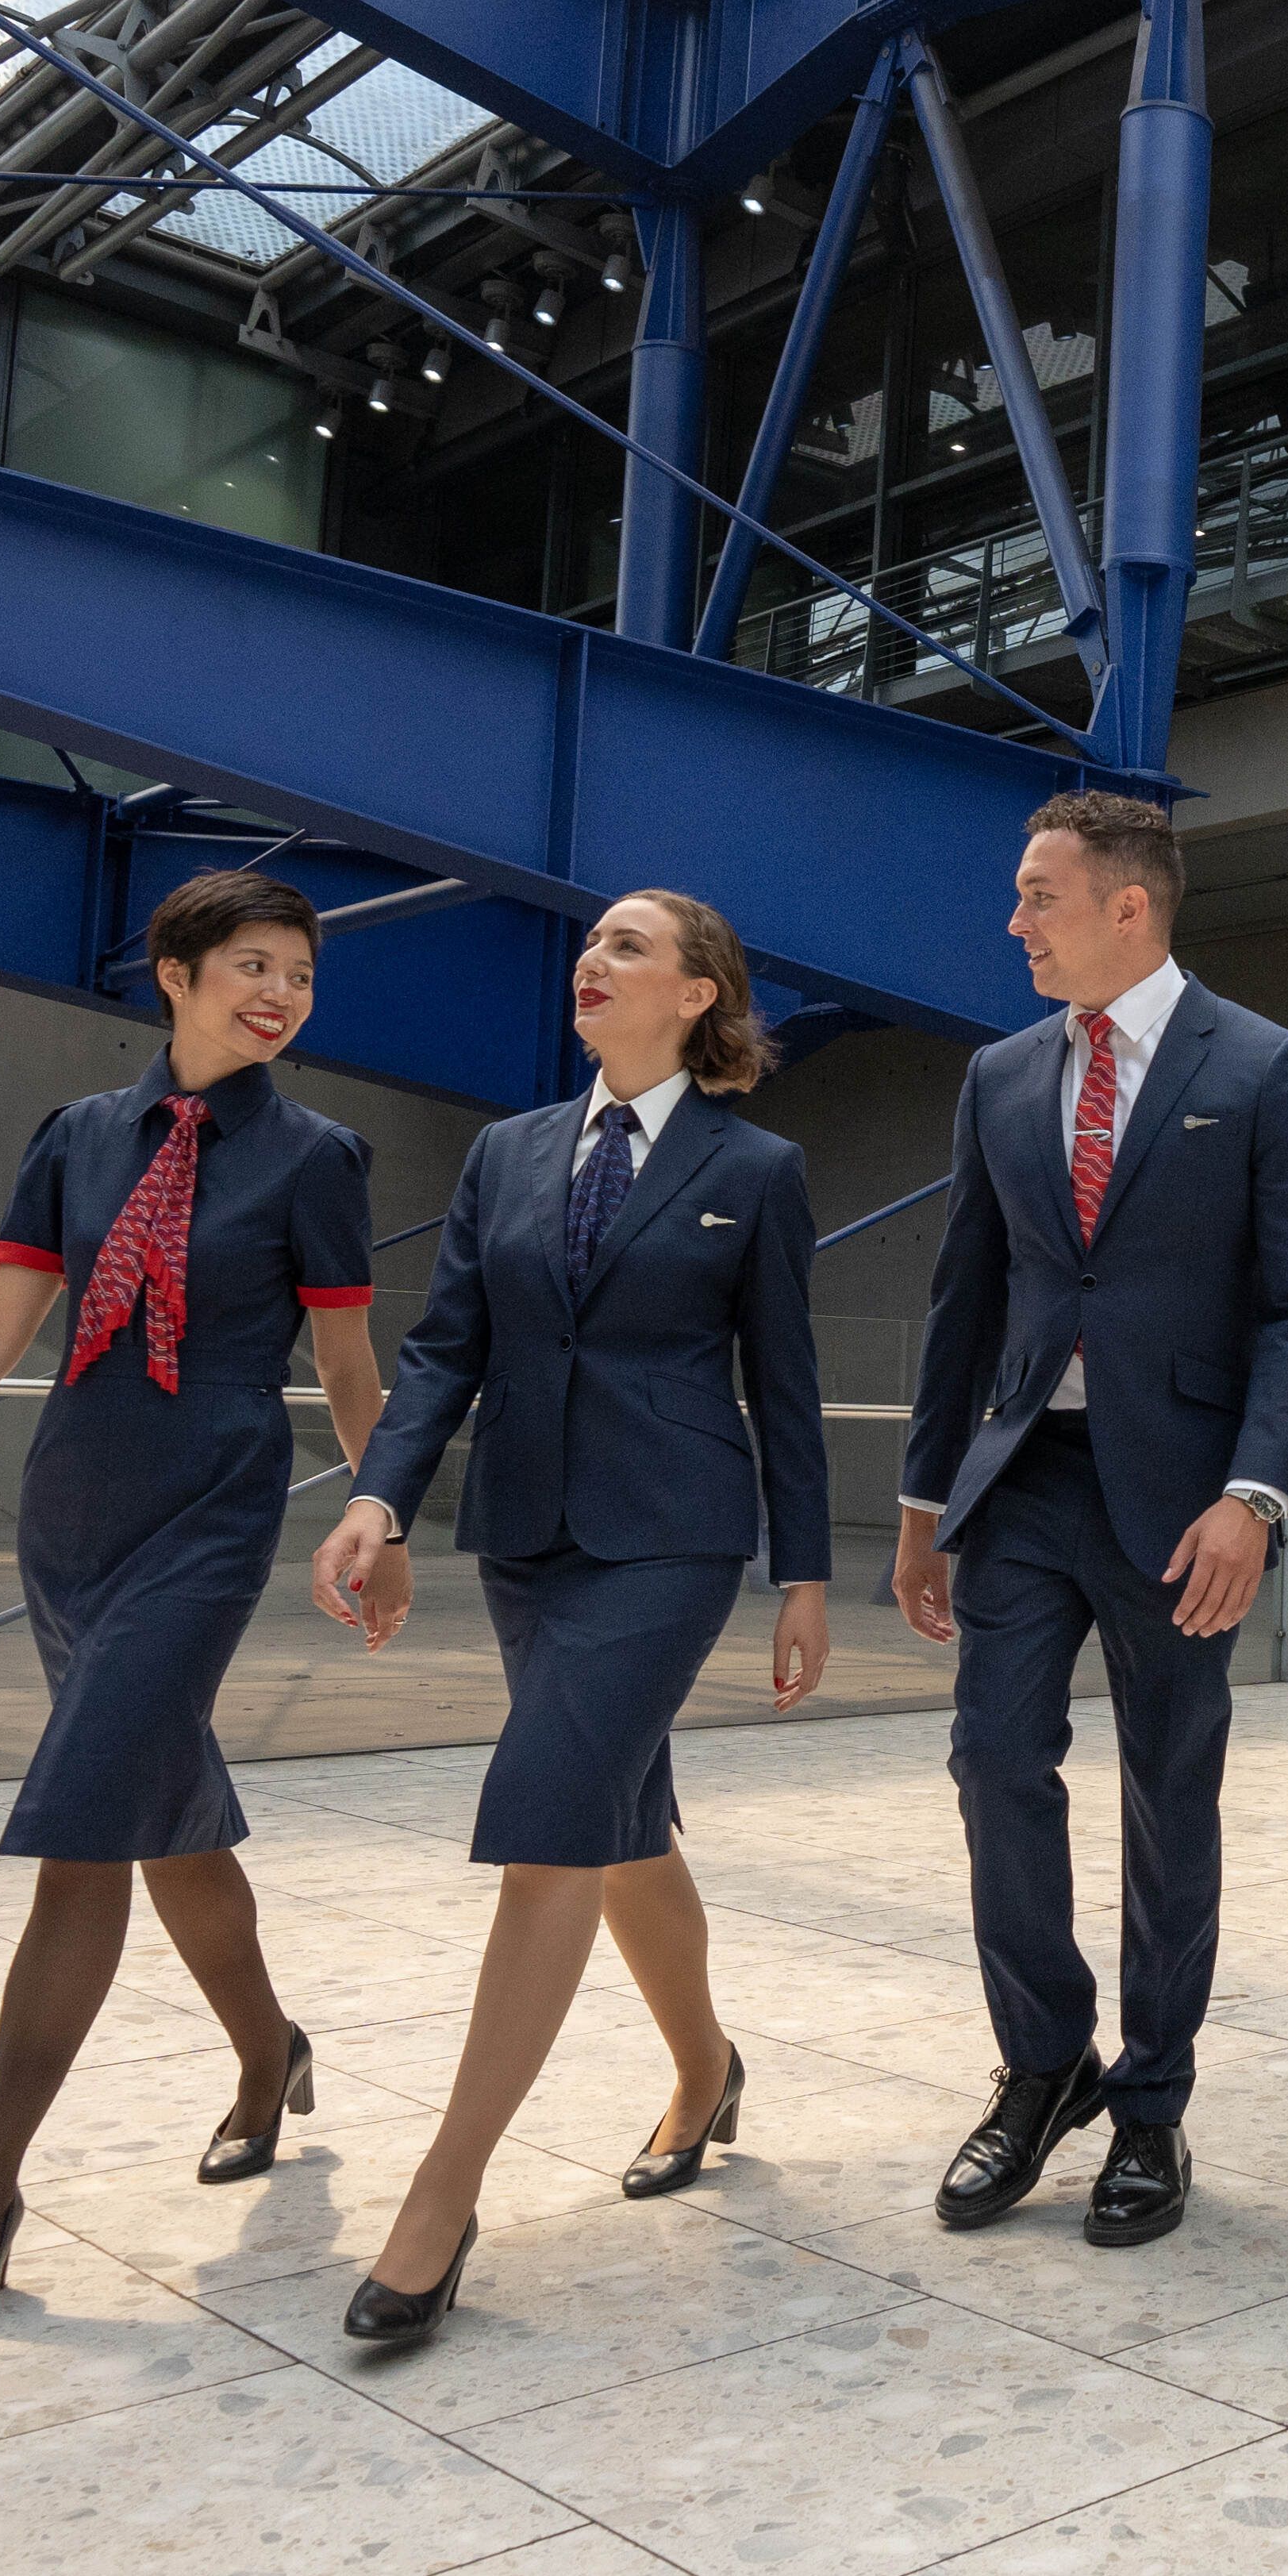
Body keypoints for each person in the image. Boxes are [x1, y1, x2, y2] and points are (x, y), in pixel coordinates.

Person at [0, 871, 385, 2356]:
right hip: (75, 1510)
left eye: (298, 974)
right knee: (161, 1810)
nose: (279, 994)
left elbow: (354, 1367)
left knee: (85, 1823)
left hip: (212, 1507)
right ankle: (267, 2053)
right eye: (250, 964)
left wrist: (385, 1507)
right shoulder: (77, 1137)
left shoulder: (316, 1156)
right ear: (171, 975)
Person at [308, 889, 833, 2350]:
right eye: (589, 947)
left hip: (671, 1537)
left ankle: (440, 2198)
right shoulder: (509, 1153)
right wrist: (380, 1497)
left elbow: (781, 1384)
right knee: (617, 1821)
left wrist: (805, 1574)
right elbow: (444, 1347)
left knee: (546, 1817)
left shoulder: (756, 1165)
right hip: (527, 1534)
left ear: (697, 993)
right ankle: (706, 2065)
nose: (591, 964)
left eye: (626, 948)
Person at [891, 791, 1288, 2250]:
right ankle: (1043, 2059)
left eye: (1038, 896)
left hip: (1184, 1500)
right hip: (1025, 1477)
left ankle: (1150, 2100)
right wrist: (921, 1497)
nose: (1015, 921)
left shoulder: (1264, 1064)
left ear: (1127, 906)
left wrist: (1256, 1495)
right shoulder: (1001, 1073)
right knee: (992, 1758)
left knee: (1170, 1788)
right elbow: (967, 1295)